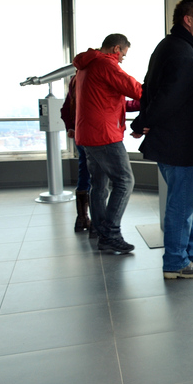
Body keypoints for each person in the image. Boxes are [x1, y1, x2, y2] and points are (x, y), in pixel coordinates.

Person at [131, 0, 193, 279]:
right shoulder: (183, 53)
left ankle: (190, 251)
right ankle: (176, 262)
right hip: (180, 144)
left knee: (186, 198)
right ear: (187, 20)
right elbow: (168, 99)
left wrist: (144, 120)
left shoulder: (171, 46)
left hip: (171, 142)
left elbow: (148, 87)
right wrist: (143, 121)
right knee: (180, 205)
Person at [73, 34, 142, 254]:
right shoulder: (106, 63)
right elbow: (135, 89)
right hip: (104, 135)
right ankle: (111, 234)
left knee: (99, 184)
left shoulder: (87, 65)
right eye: (123, 54)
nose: (122, 60)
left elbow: (116, 100)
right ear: (116, 49)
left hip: (88, 135)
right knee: (125, 181)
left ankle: (101, 232)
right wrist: (156, 93)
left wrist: (140, 104)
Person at [60, 75, 92, 234]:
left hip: (78, 134)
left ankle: (81, 219)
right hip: (94, 133)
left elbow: (65, 109)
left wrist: (70, 127)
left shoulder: (75, 80)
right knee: (97, 175)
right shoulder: (93, 77)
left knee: (84, 172)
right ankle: (96, 223)